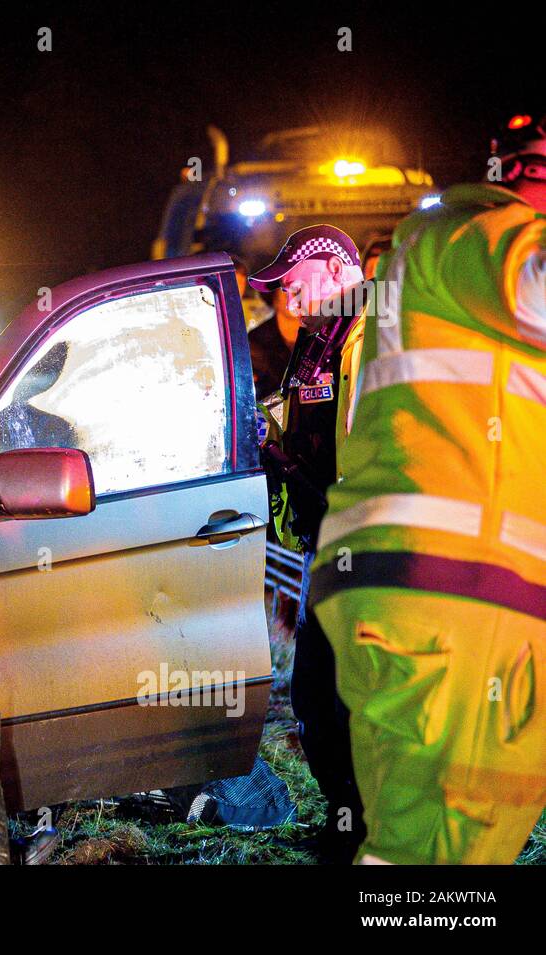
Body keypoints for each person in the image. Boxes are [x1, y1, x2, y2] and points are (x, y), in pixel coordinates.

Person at [309, 113, 546, 864]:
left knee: (445, 847)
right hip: (455, 590)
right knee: (438, 858)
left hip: (466, 595)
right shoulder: (471, 230)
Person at [248, 224, 368, 863]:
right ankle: (349, 821)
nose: (285, 293)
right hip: (330, 539)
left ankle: (360, 830)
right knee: (319, 695)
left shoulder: (369, 335)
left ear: (330, 268)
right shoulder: (318, 339)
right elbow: (311, 436)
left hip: (368, 544)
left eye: (292, 279)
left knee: (334, 692)